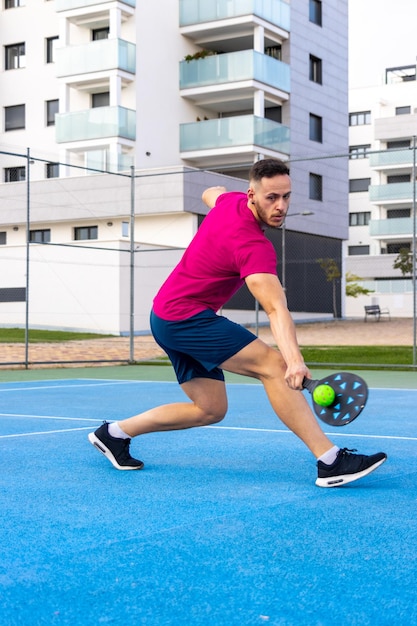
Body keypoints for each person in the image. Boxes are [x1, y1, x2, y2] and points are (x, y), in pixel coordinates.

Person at [88, 158, 387, 487]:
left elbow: (210, 193)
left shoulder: (229, 202)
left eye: (286, 196)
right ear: (252, 195)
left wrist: (217, 197)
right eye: (271, 197)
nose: (281, 206)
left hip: (164, 315)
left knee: (209, 409)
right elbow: (275, 309)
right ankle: (330, 461)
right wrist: (294, 363)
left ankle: (113, 434)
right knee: (273, 365)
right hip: (185, 316)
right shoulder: (253, 246)